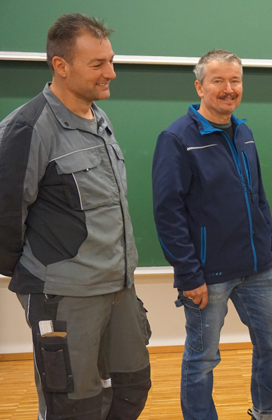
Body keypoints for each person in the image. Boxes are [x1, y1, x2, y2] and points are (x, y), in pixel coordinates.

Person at [0, 13, 151, 420]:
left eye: (111, 60)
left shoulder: (99, 119)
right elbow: (5, 212)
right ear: (60, 66)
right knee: (72, 404)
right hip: (65, 294)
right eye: (98, 64)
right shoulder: (28, 127)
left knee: (131, 387)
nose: (111, 73)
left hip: (118, 287)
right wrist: (40, 276)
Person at [152, 49, 272, 420]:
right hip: (207, 276)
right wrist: (189, 274)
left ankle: (268, 413)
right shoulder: (177, 139)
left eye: (235, 80)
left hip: (258, 267)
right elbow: (167, 214)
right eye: (218, 81)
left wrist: (271, 248)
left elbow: (257, 196)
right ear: (200, 86)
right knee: (202, 359)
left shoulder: (244, 132)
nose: (229, 89)